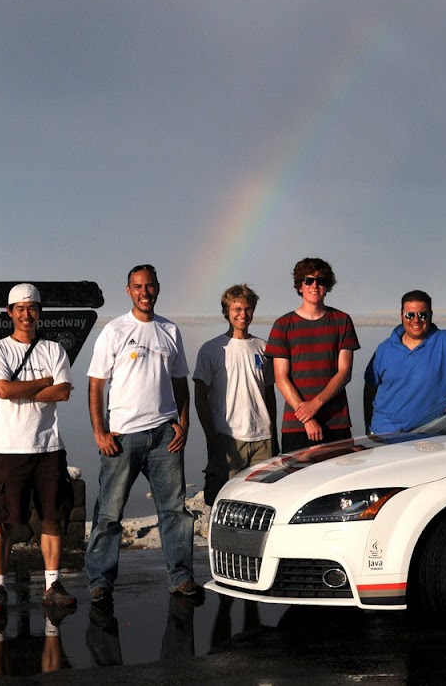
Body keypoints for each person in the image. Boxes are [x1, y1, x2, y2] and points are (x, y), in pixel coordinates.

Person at [84, 264, 197, 610]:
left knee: (174, 511)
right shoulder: (115, 330)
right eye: (137, 286)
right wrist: (99, 431)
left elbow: (180, 381)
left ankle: (181, 578)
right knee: (109, 512)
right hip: (123, 435)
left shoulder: (169, 330)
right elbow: (96, 383)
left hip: (164, 433)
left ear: (157, 289)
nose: (144, 292)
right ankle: (100, 581)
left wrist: (184, 422)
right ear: (128, 291)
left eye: (149, 286)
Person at [0, 283, 77, 615]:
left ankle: (52, 584)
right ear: (9, 312)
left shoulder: (54, 349)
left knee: (52, 516)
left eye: (31, 307)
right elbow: (4, 390)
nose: (26, 314)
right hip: (10, 446)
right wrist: (41, 383)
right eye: (19, 308)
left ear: (39, 311)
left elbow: (63, 392)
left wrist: (21, 390)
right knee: (2, 520)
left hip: (49, 445)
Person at [363, 290, 446, 434]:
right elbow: (370, 387)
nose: (416, 320)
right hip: (384, 435)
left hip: (433, 437)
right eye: (410, 315)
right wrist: (368, 424)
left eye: (423, 315)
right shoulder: (385, 349)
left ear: (431, 315)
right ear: (401, 316)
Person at [193, 284, 278, 506]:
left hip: (263, 440)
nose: (243, 314)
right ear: (226, 312)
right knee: (225, 500)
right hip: (227, 439)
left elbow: (269, 394)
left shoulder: (263, 348)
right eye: (237, 309)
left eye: (248, 309)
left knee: (262, 501)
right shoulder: (211, 349)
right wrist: (211, 436)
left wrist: (274, 433)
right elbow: (200, 397)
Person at [266, 257, 360, 452]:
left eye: (321, 281)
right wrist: (307, 417)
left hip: (337, 423)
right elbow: (280, 378)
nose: (314, 286)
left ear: (327, 286)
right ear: (300, 286)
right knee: (297, 482)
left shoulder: (342, 321)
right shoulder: (282, 325)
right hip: (297, 426)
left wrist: (315, 404)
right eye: (308, 280)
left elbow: (344, 372)